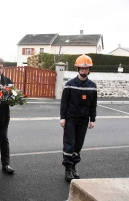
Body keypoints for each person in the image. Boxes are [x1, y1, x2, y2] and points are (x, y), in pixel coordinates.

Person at [60, 54, 97, 182]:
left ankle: (74, 166)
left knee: (78, 145)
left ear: (89, 70)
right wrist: (62, 118)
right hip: (71, 119)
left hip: (83, 119)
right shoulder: (69, 84)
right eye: (81, 68)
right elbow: (64, 103)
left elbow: (93, 104)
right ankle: (67, 169)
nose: (83, 70)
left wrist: (92, 119)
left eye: (86, 68)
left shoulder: (92, 86)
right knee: (69, 144)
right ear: (78, 69)